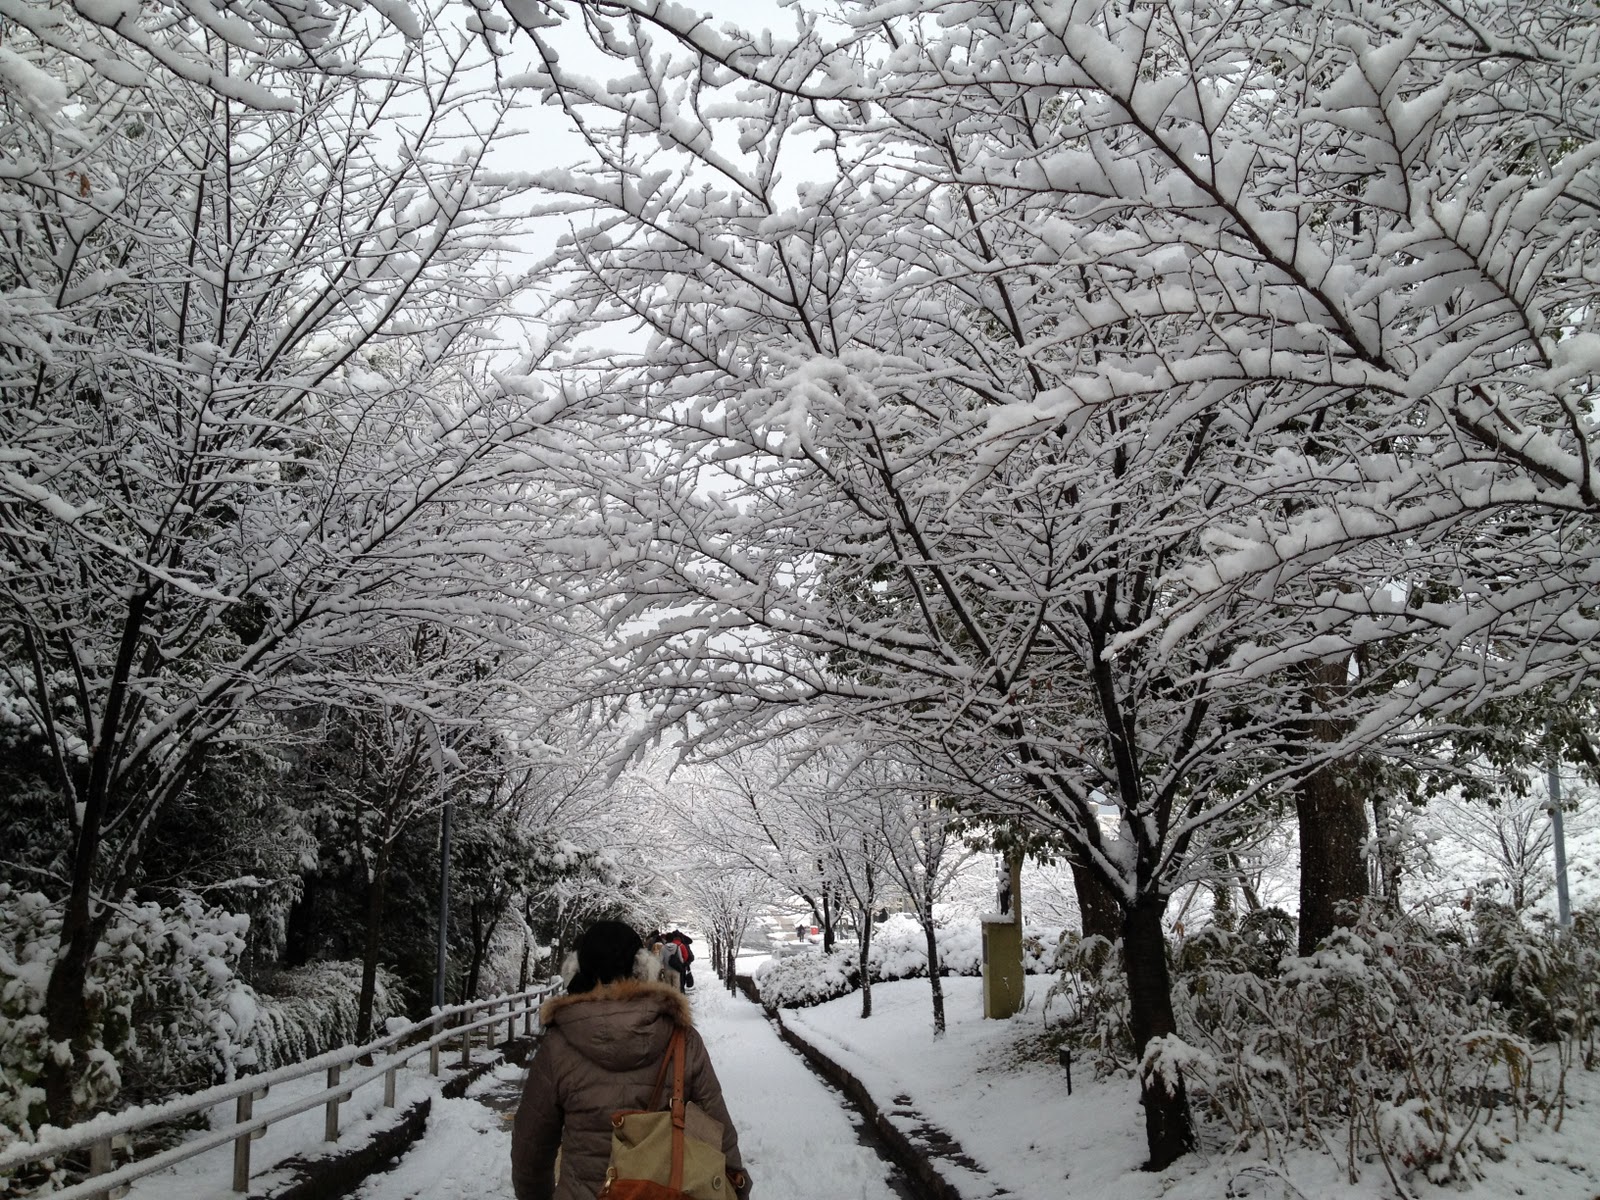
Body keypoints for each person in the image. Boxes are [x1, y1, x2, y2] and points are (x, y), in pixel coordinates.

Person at [512, 920, 751, 1200]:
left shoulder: (557, 1046)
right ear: (644, 968)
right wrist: (736, 1183)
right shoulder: (681, 1038)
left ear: (575, 971)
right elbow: (716, 1125)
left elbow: (531, 1147)